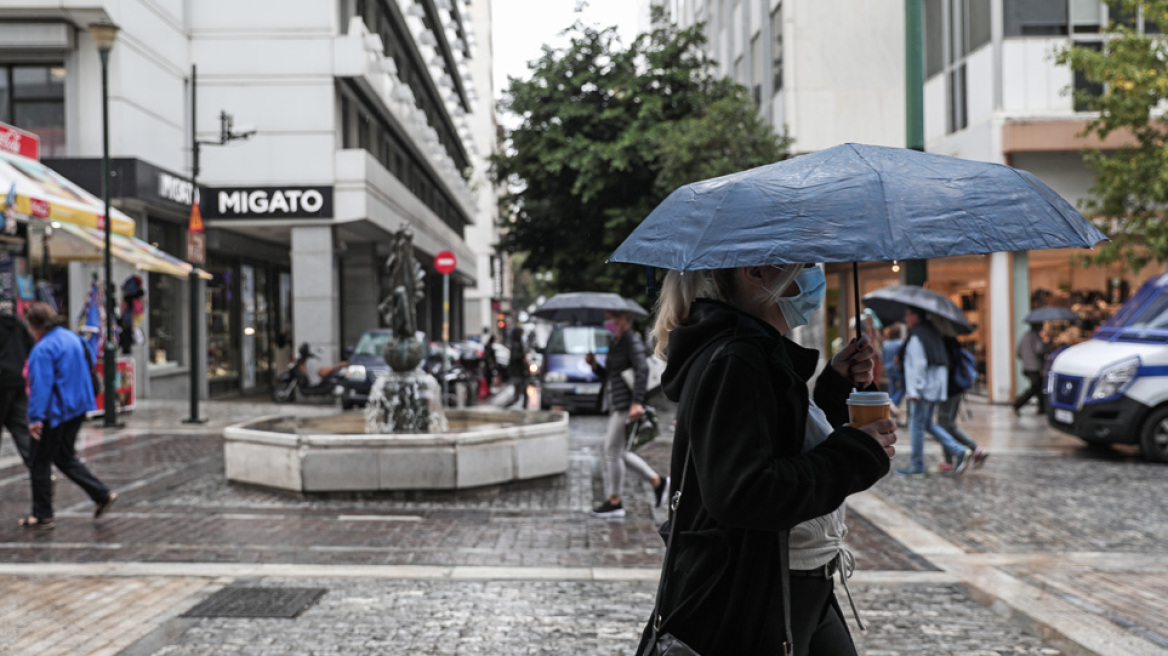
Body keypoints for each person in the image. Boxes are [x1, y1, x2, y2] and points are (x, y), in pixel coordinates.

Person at [635, 264, 896, 656]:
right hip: (762, 593)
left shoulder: (755, 348)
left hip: (799, 581)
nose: (813, 277)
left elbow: (775, 438)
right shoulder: (738, 357)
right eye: (804, 266)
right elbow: (745, 490)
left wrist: (834, 389)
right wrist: (855, 454)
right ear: (757, 273)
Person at [19, 302, 117, 530]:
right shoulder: (72, 338)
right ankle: (100, 493)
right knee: (63, 457)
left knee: (39, 461)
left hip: (56, 411)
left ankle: (42, 514)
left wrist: (34, 418)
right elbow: (90, 360)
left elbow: (41, 386)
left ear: (33, 326)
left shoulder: (43, 349)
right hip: (78, 407)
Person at [585, 309, 667, 519]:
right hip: (617, 402)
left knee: (611, 450)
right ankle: (658, 482)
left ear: (622, 318)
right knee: (619, 453)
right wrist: (595, 366)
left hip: (626, 405)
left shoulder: (631, 340)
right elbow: (613, 376)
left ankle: (615, 501)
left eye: (609, 318)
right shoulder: (617, 342)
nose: (607, 322)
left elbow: (642, 370)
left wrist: (637, 402)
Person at [897, 306, 972, 477]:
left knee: (916, 424)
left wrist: (914, 391)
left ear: (917, 316)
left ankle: (917, 465)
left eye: (908, 314)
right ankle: (959, 450)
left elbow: (918, 364)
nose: (905, 318)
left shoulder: (918, 336)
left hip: (923, 388)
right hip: (933, 387)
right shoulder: (931, 332)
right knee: (927, 424)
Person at [936, 329, 988, 473]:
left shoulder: (943, 344)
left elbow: (945, 368)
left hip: (948, 389)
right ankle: (976, 450)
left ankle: (949, 461)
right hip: (957, 388)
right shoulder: (953, 342)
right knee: (949, 425)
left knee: (943, 425)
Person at [0, 302, 34, 468]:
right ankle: (40, 471)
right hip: (19, 380)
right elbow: (30, 347)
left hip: (2, 381)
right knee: (21, 429)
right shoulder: (18, 324)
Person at [1013, 321, 1049, 416]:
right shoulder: (1035, 337)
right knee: (1035, 387)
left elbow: (1018, 352)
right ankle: (1018, 403)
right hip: (1034, 367)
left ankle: (1042, 408)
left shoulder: (1024, 336)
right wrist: (1048, 345)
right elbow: (1039, 350)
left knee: (1039, 387)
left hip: (1026, 367)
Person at [503, 326, 530, 409]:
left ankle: (524, 407)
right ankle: (505, 407)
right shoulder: (516, 345)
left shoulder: (518, 344)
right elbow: (515, 358)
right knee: (519, 394)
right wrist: (524, 357)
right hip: (518, 373)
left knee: (521, 393)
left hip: (520, 372)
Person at [882, 324, 905, 422]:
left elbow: (883, 357)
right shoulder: (900, 343)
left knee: (892, 387)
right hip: (897, 368)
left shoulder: (885, 343)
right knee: (904, 387)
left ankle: (890, 406)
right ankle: (893, 403)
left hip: (888, 367)